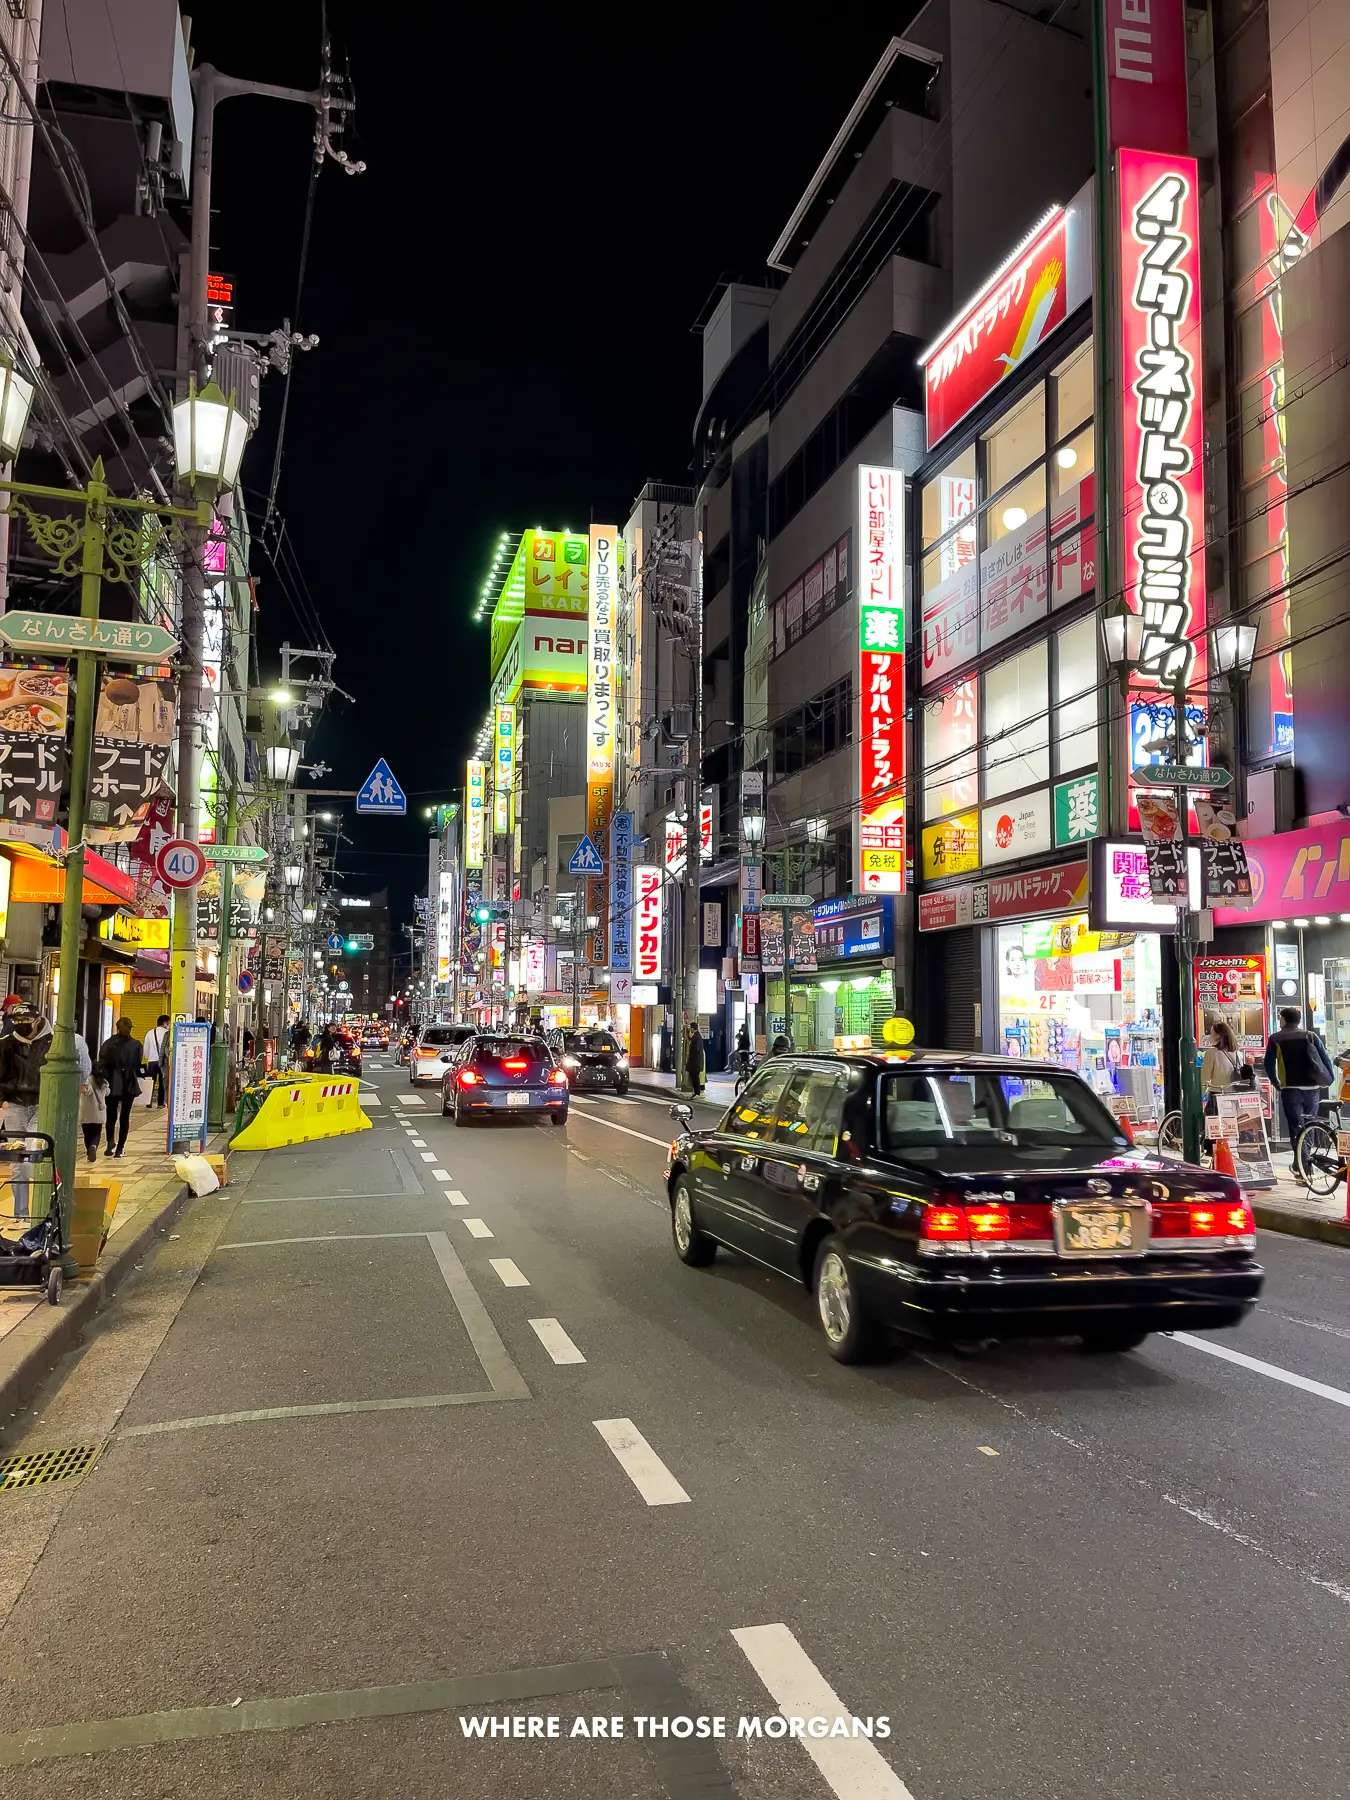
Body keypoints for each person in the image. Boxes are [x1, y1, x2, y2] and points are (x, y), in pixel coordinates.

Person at [1263, 1006, 1335, 1179]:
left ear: (1283, 1019)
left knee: (1297, 1127)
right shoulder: (1311, 1036)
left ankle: (1304, 1168)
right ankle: (1301, 1164)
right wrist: (1328, 1080)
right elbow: (1325, 1059)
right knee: (1309, 1126)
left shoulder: (1275, 1038)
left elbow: (1268, 1064)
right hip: (1313, 1090)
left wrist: (1276, 1083)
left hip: (1291, 1089)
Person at [0, 1002, 53, 1216]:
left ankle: (42, 1205)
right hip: (14, 1104)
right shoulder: (6, 1044)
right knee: (16, 1161)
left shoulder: (52, 1042)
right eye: (17, 1022)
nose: (21, 1026)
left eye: (26, 1021)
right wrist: (3, 1100)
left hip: (41, 1103)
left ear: (38, 1020)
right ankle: (20, 1212)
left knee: (33, 1155)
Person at [98, 1017, 144, 1159]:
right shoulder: (136, 1045)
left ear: (117, 1028)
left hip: (112, 1083)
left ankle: (109, 1142)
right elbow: (137, 1065)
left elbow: (102, 1063)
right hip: (129, 1083)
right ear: (131, 1028)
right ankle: (120, 1148)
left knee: (111, 1116)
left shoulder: (108, 1044)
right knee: (125, 1117)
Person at [77, 1033, 105, 1162]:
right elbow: (108, 1092)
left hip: (86, 1112)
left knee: (87, 1133)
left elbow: (86, 1091)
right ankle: (94, 1145)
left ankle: (89, 1149)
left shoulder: (87, 1080)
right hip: (99, 1112)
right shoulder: (102, 1081)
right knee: (97, 1133)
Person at [1200, 1020, 1240, 1105]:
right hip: (1236, 1097)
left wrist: (1199, 1097)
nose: (1209, 1036)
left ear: (1218, 1036)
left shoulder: (1211, 1053)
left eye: (1211, 1033)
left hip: (1218, 1097)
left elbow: (1204, 1080)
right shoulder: (1238, 1053)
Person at [143, 1014, 170, 1108]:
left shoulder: (150, 1033)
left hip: (151, 1061)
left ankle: (148, 1101)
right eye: (169, 1022)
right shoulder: (168, 1033)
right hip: (163, 1062)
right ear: (165, 1023)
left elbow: (146, 1049)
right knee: (162, 1082)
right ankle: (160, 1103)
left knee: (150, 1082)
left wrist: (149, 1057)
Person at [685, 1020, 706, 1098]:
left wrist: (690, 1057)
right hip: (695, 1061)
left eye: (691, 1028)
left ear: (693, 1028)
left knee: (695, 1077)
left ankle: (697, 1093)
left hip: (695, 1062)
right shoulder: (696, 1036)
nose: (690, 1029)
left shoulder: (696, 1037)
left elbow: (696, 1048)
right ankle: (696, 1092)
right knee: (694, 1077)